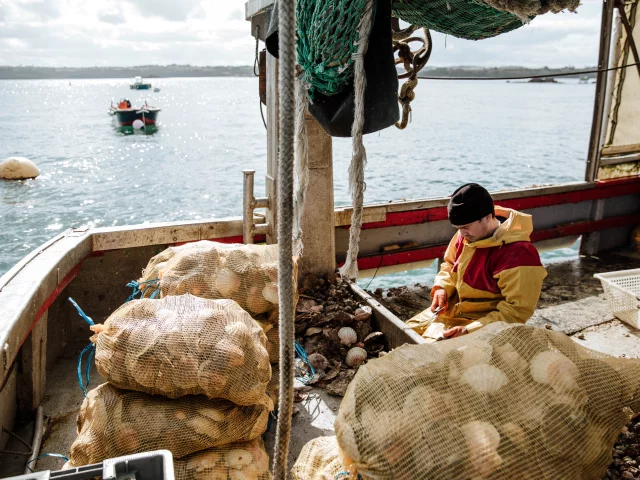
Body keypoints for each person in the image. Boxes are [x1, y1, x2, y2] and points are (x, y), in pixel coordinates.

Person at [406, 183, 547, 341]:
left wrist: (469, 330)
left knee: (428, 355)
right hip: (451, 312)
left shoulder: (519, 253)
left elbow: (517, 311)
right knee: (403, 332)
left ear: (487, 217)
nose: (461, 233)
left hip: (485, 324)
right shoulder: (466, 234)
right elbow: (450, 265)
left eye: (465, 227)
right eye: (457, 228)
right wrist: (442, 288)